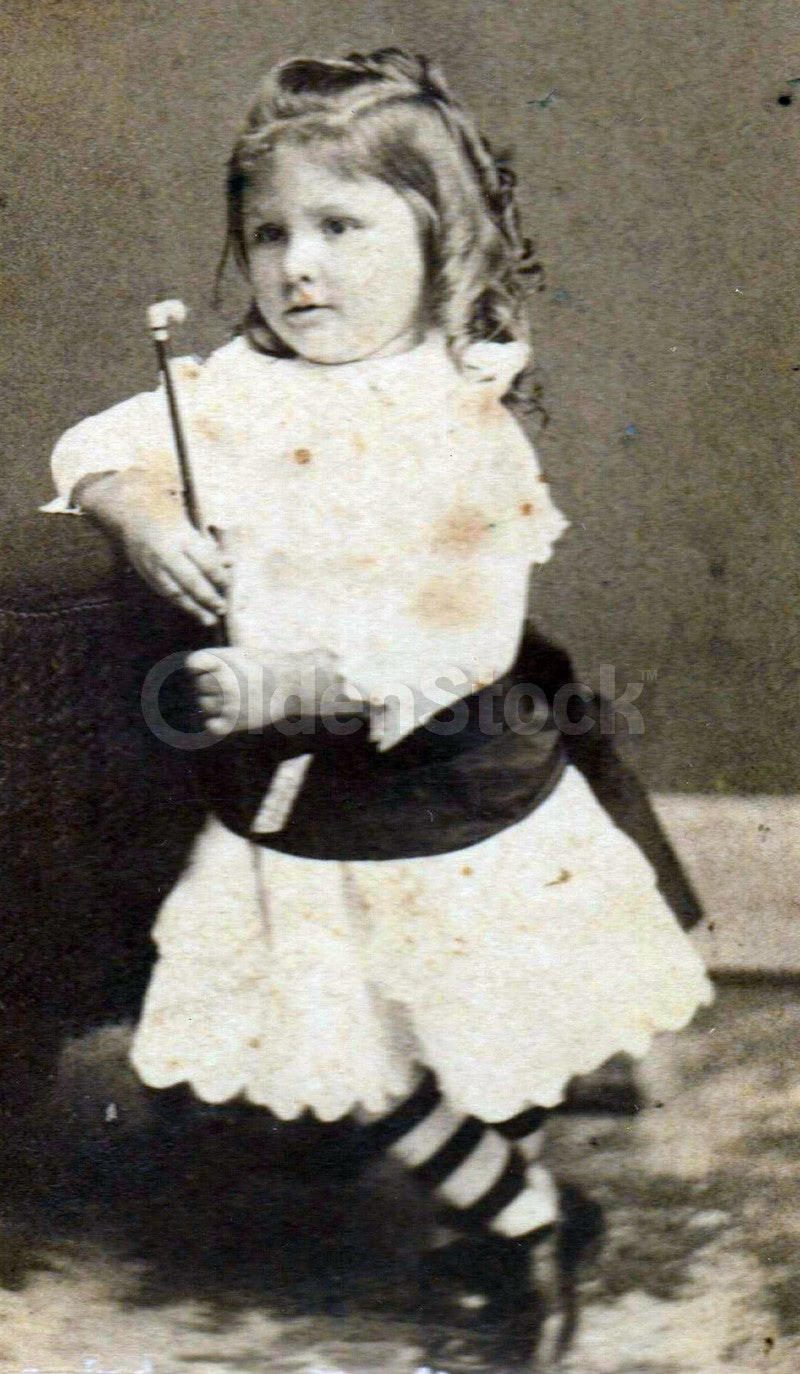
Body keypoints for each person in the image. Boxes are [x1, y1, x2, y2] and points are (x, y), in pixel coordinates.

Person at [47, 48, 713, 1361]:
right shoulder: (236, 386)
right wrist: (141, 507)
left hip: (442, 788)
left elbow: (462, 638)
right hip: (296, 805)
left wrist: (292, 679)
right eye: (271, 233)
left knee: (467, 1017)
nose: (300, 266)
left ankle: (512, 1213)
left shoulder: (459, 417)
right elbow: (96, 444)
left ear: (436, 238)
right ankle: (520, 1212)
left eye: (342, 228)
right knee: (340, 1035)